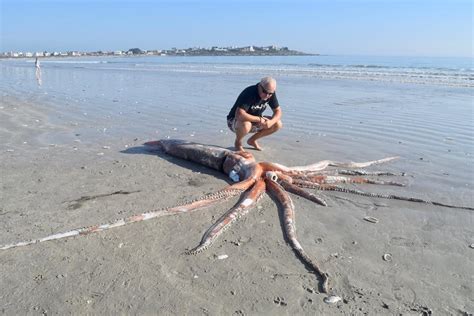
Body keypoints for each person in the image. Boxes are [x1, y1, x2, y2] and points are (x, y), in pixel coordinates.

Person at [226, 77, 282, 151]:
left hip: (255, 121)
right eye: (265, 92)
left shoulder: (270, 93)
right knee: (246, 125)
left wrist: (271, 122)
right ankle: (238, 143)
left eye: (270, 93)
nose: (267, 95)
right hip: (235, 121)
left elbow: (278, 111)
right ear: (259, 86)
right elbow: (239, 114)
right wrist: (259, 119)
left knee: (277, 124)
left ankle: (252, 140)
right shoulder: (249, 92)